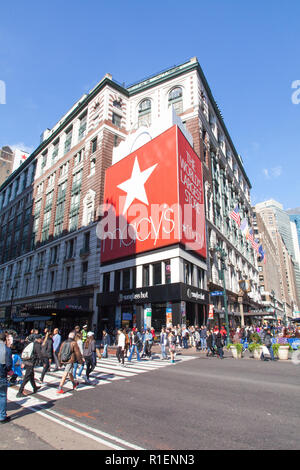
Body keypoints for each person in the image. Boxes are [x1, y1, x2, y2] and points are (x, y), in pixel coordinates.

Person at [0, 332, 13, 423]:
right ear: (5, 340)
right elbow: (8, 366)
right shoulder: (7, 350)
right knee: (3, 395)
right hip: (2, 375)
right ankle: (2, 416)